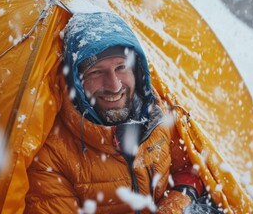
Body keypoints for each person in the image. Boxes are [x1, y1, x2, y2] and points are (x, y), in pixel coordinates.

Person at [25, 12, 214, 213]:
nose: (114, 86)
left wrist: (173, 205)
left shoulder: (158, 117)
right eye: (96, 72)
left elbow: (191, 169)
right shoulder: (52, 157)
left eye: (121, 67)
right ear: (76, 82)